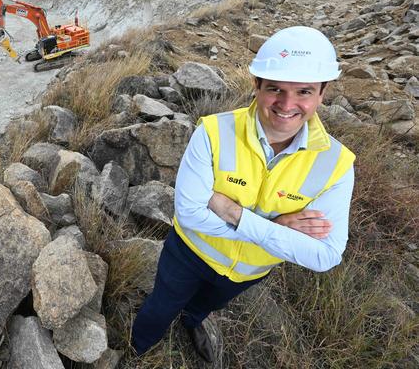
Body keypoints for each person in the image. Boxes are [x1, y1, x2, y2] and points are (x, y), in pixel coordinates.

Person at [131, 26, 356, 361]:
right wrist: (278, 228)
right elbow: (190, 213)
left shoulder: (336, 164)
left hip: (246, 273)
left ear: (322, 93)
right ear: (256, 85)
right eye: (275, 89)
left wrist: (235, 214)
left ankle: (191, 322)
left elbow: (325, 255)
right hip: (188, 255)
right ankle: (138, 349)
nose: (287, 104)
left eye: (304, 92)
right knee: (159, 308)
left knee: (204, 307)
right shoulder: (213, 132)